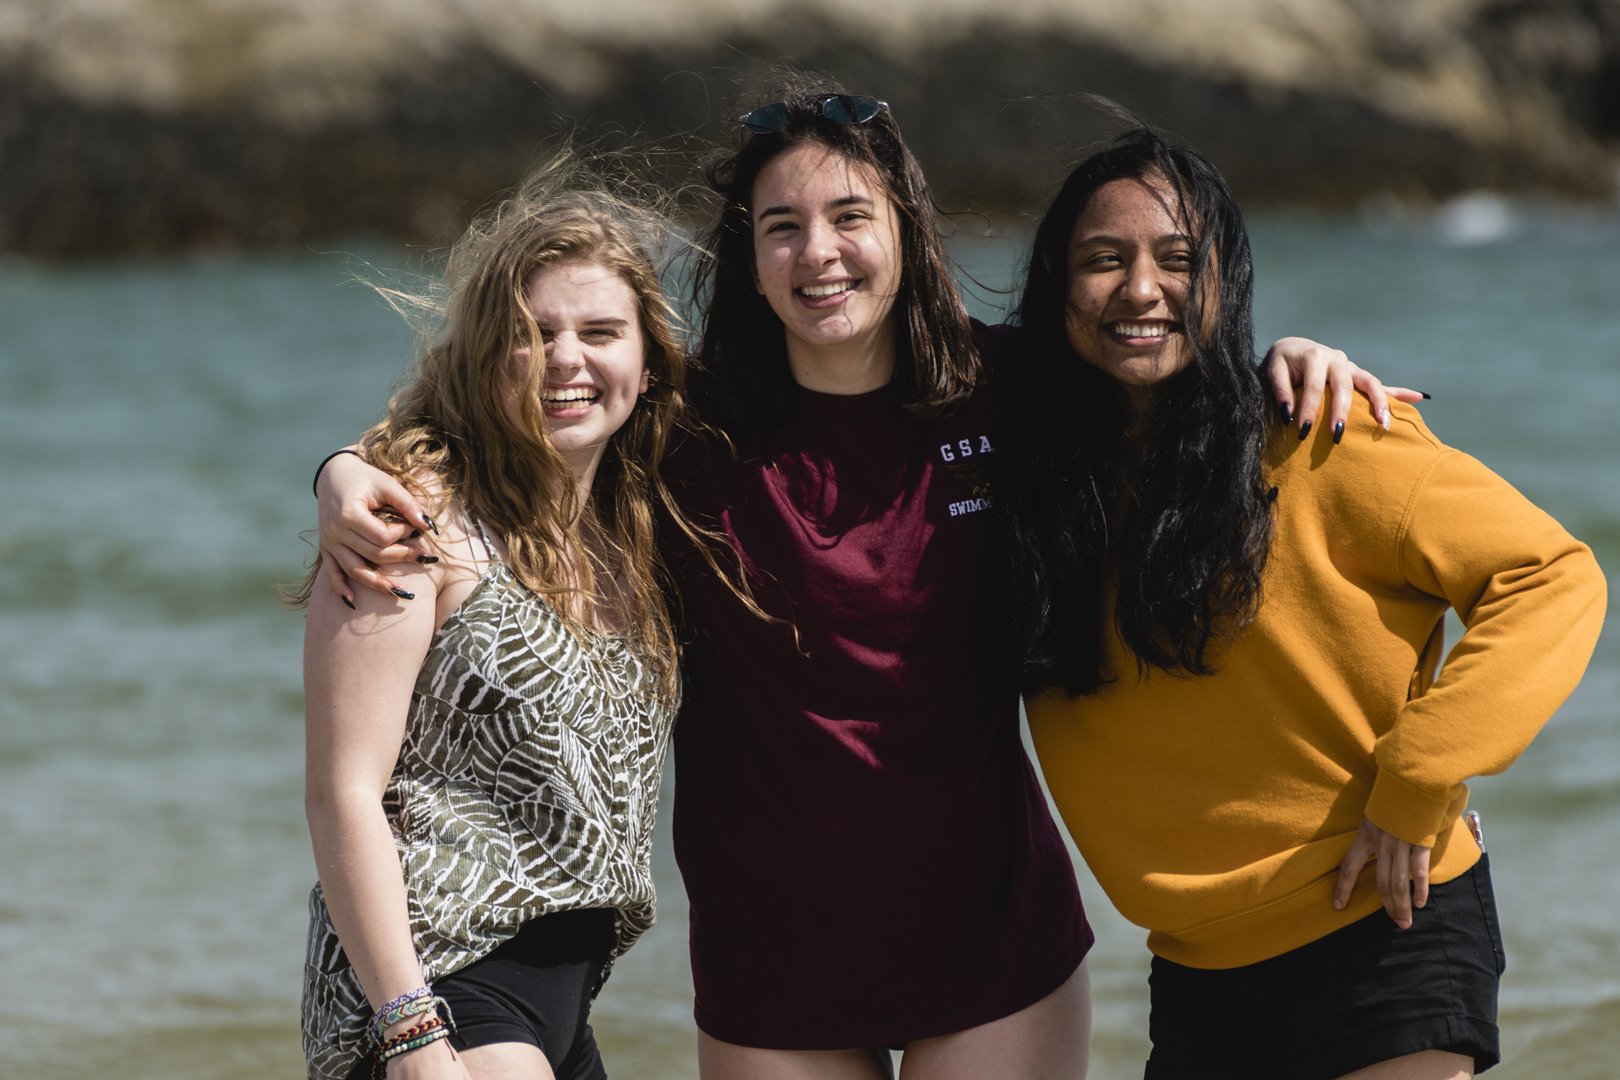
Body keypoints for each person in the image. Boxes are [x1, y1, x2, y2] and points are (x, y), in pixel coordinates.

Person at [312, 78, 1412, 1080]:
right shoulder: (683, 429)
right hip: (772, 971)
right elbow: (515, 423)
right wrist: (347, 468)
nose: (818, 254)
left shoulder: (1013, 387)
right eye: (782, 228)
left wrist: (1289, 357)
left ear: (905, 230)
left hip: (995, 944)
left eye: (849, 219)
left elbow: (1163, 361)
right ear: (749, 255)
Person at [1001, 126, 1607, 1079]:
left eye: (1177, 260)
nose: (1140, 289)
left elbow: (1552, 576)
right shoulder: (1031, 480)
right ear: (1055, 286)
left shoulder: (1323, 436)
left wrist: (1419, 780)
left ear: (1225, 280)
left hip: (1386, 923)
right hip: (1195, 970)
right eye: (1101, 260)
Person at [295, 165, 698, 1080]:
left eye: (600, 332)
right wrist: (410, 1033)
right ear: (487, 352)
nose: (568, 359)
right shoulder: (410, 524)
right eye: (533, 333)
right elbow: (341, 793)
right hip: (434, 986)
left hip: (563, 998)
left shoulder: (634, 524)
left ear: (647, 357)